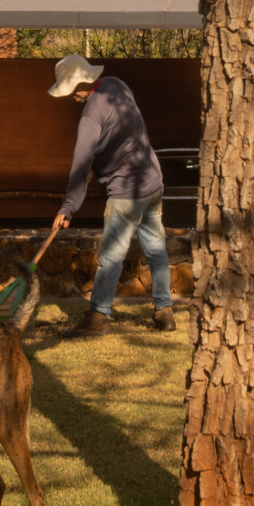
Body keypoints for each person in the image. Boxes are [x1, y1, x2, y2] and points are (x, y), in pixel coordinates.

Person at [46, 53, 175, 337]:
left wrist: (68, 207)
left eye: (71, 91)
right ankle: (164, 312)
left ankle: (98, 318)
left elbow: (81, 164)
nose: (71, 98)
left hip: (127, 192)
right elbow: (123, 131)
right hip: (153, 182)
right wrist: (104, 158)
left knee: (111, 256)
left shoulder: (90, 116)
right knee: (156, 250)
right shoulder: (117, 85)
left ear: (80, 84)